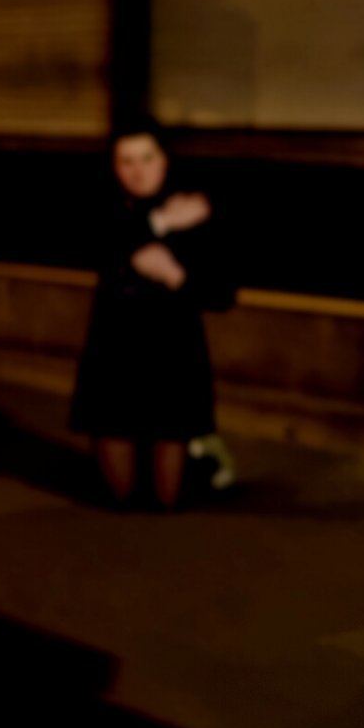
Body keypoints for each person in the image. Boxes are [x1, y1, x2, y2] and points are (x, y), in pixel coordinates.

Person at [70, 116, 236, 509]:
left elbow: (222, 293)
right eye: (126, 161)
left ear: (164, 160)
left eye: (146, 158)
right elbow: (102, 241)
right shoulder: (108, 207)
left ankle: (203, 461)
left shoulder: (193, 211)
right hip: (115, 354)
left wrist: (175, 276)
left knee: (168, 497)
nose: (138, 171)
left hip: (173, 354)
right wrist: (158, 224)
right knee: (119, 493)